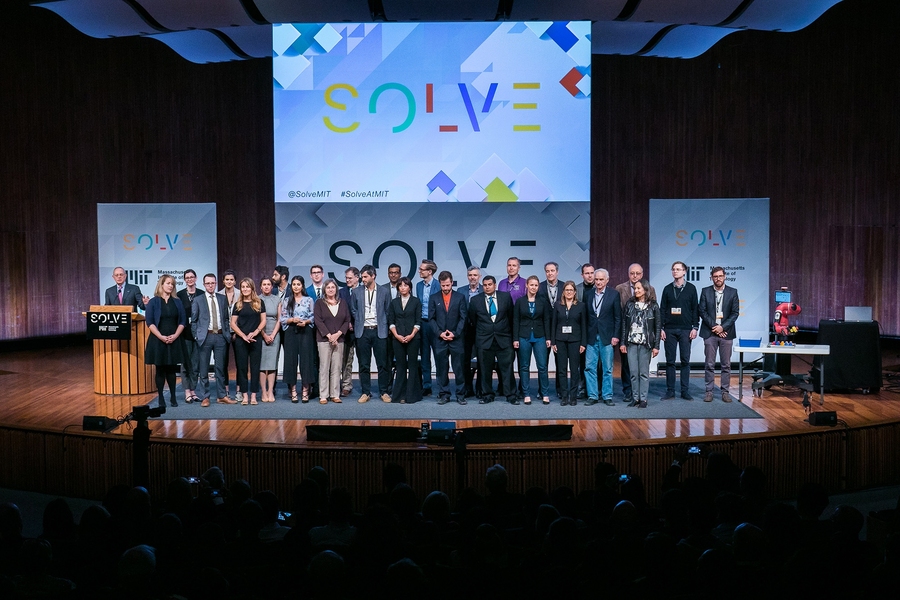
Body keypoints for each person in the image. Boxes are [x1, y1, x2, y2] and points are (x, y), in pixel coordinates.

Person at [468, 275, 517, 405]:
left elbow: (511, 317)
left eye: (490, 284)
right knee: (484, 369)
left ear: (495, 285)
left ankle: (510, 395)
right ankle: (487, 395)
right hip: (484, 339)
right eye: (485, 285)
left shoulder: (505, 297)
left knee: (507, 368)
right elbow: (473, 321)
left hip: (503, 338)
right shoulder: (475, 300)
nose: (487, 287)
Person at [191, 273, 236, 407]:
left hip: (221, 337)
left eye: (213, 283)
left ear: (216, 284)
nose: (210, 285)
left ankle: (221, 396)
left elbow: (226, 318)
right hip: (205, 337)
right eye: (208, 283)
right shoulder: (198, 300)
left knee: (220, 368)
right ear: (204, 285)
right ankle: (205, 397)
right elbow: (193, 321)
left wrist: (226, 333)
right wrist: (197, 335)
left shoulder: (222, 299)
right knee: (203, 369)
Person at [351, 265, 392, 403]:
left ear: (373, 276)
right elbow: (354, 310)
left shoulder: (384, 291)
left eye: (365, 277)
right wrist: (360, 320)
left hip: (379, 331)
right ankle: (365, 392)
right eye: (362, 277)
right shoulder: (356, 292)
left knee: (383, 364)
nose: (363, 279)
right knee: (364, 364)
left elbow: (388, 310)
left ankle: (384, 391)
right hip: (363, 331)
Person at [144, 274, 186, 410]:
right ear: (161, 285)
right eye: (168, 283)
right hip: (158, 340)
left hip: (174, 339)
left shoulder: (177, 301)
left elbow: (182, 321)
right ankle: (161, 397)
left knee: (172, 370)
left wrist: (175, 335)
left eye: (172, 284)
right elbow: (149, 322)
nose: (170, 286)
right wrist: (161, 337)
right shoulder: (153, 302)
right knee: (160, 369)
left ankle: (173, 396)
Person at [616, 263, 657, 403]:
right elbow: (622, 320)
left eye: (638, 273)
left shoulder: (652, 298)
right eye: (632, 273)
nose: (635, 276)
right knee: (630, 370)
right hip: (630, 338)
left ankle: (643, 398)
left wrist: (656, 344)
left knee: (643, 372)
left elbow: (656, 323)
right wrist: (622, 341)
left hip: (645, 342)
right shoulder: (624, 296)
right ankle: (632, 395)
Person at [699, 266, 740, 403]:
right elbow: (702, 312)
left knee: (726, 365)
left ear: (725, 276)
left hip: (726, 333)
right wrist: (715, 327)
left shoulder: (733, 292)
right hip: (710, 333)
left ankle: (725, 392)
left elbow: (735, 313)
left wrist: (722, 327)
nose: (718, 279)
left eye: (720, 276)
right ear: (711, 277)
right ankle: (709, 391)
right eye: (715, 276)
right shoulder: (705, 291)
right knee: (709, 364)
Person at [659, 261, 699, 401]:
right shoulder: (667, 289)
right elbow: (662, 309)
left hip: (686, 329)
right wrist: (661, 328)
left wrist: (695, 327)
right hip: (669, 329)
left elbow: (695, 309)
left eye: (678, 269)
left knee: (685, 361)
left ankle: (684, 391)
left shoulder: (691, 289)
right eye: (673, 269)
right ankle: (670, 391)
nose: (675, 272)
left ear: (684, 272)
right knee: (670, 361)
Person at [584, 268, 621, 407]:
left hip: (607, 337)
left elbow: (618, 317)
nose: (598, 282)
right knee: (589, 367)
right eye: (596, 279)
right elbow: (586, 317)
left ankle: (607, 396)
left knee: (607, 368)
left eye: (601, 279)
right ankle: (593, 395)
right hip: (591, 337)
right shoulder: (588, 294)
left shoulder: (614, 294)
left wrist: (616, 336)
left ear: (607, 280)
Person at [430, 271, 468, 405]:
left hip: (456, 339)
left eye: (447, 285)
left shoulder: (460, 297)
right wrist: (440, 333)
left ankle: (460, 394)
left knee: (459, 368)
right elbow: (431, 318)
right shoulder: (434, 297)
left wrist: (455, 333)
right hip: (440, 339)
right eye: (443, 286)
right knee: (442, 368)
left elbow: (463, 318)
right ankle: (444, 394)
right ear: (439, 284)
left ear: (452, 282)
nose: (445, 288)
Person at [513, 275, 552, 405]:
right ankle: (526, 394)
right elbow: (516, 320)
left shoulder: (543, 301)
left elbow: (546, 320)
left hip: (540, 336)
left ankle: (545, 393)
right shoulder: (520, 302)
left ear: (538, 287)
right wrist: (515, 338)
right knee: (524, 367)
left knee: (542, 366)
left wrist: (548, 338)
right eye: (531, 285)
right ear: (527, 285)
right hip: (523, 337)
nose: (533, 287)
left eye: (536, 285)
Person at [313, 279, 351, 404]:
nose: (330, 289)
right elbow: (318, 321)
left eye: (333, 287)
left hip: (339, 340)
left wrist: (338, 335)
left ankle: (335, 394)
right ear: (324, 289)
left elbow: (347, 320)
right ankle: (323, 395)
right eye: (328, 287)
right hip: (324, 340)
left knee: (337, 367)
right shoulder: (319, 303)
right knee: (324, 367)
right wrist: (330, 336)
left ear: (336, 289)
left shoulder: (343, 303)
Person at [230, 277, 266, 405]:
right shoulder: (237, 305)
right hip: (241, 340)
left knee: (255, 368)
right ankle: (245, 395)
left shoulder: (259, 303)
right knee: (242, 368)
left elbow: (263, 321)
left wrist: (254, 333)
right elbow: (233, 323)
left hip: (256, 339)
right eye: (243, 287)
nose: (245, 289)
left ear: (252, 288)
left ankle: (254, 396)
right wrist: (243, 336)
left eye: (247, 287)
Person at [551, 281, 587, 406]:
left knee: (574, 369)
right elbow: (553, 324)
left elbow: (583, 326)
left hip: (575, 341)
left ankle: (573, 396)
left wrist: (583, 343)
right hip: (560, 341)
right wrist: (553, 342)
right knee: (561, 369)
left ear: (575, 292)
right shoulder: (557, 305)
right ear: (563, 292)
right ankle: (564, 396)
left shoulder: (581, 306)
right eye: (567, 290)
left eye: (571, 290)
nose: (569, 292)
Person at [281, 275, 315, 403]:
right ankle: (293, 390)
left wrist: (305, 322)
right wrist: (291, 320)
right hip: (291, 331)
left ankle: (305, 390)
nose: (296, 286)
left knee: (306, 361)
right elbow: (282, 319)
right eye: (294, 284)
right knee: (291, 361)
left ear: (302, 286)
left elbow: (313, 317)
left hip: (305, 331)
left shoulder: (309, 300)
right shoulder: (286, 301)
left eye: (298, 284)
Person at [388, 277, 422, 404]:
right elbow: (391, 321)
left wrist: (412, 335)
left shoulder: (416, 301)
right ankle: (399, 395)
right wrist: (396, 335)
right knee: (400, 366)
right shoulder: (394, 302)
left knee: (412, 366)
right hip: (397, 338)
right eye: (400, 285)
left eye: (405, 285)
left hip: (413, 338)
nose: (403, 287)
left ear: (410, 287)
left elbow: (418, 321)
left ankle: (412, 395)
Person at [176, 269, 200, 404]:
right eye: (187, 277)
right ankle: (186, 391)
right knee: (185, 364)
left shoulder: (201, 294)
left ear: (196, 278)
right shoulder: (179, 295)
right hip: (184, 334)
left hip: (198, 335)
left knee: (195, 364)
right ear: (185, 280)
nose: (190, 279)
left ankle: (193, 390)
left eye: (192, 277)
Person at [458, 266, 482, 398]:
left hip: (481, 330)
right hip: (465, 330)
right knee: (465, 361)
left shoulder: (485, 289)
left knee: (482, 361)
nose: (472, 277)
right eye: (470, 275)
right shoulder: (461, 291)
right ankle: (468, 388)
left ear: (479, 277)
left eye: (475, 275)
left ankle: (480, 389)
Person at [416, 260, 439, 397]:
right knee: (424, 356)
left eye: (422, 269)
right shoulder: (418, 285)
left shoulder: (437, 285)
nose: (419, 271)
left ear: (429, 271)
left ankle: (442, 385)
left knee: (438, 355)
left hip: (435, 323)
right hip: (422, 323)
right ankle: (427, 386)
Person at [258, 277, 282, 403]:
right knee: (262, 365)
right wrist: (264, 335)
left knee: (272, 364)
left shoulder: (277, 299)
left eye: (269, 284)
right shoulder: (256, 299)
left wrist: (272, 335)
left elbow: (279, 319)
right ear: (260, 286)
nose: (266, 286)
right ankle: (263, 391)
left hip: (274, 333)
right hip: (260, 333)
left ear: (272, 286)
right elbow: (256, 319)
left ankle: (270, 390)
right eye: (264, 284)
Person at [339, 267, 361, 397]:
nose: (347, 280)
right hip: (346, 331)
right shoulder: (341, 292)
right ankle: (346, 385)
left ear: (357, 278)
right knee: (346, 360)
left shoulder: (364, 291)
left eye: (350, 278)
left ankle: (365, 387)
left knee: (364, 359)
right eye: (346, 278)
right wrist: (347, 323)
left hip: (362, 329)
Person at [219, 269, 239, 399]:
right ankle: (225, 390)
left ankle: (239, 390)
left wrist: (238, 331)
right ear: (223, 281)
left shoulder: (241, 293)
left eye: (231, 279)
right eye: (227, 279)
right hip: (223, 332)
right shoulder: (218, 294)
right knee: (223, 362)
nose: (229, 282)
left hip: (238, 331)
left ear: (235, 281)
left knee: (239, 362)